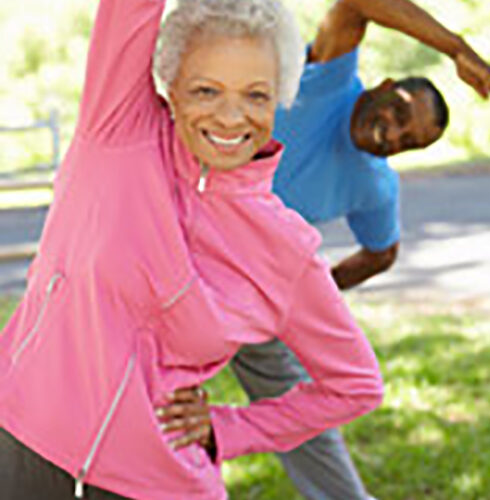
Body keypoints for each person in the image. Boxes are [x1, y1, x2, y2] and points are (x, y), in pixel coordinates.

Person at [0, 1, 384, 499]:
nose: (231, 116)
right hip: (21, 434)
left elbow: (356, 385)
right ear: (171, 88)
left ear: (280, 100)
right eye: (206, 90)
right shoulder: (117, 129)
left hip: (157, 482)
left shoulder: (286, 248)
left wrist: (228, 429)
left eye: (256, 95)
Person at [166, 1, 490, 499]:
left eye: (409, 141)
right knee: (154, 409)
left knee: (310, 428)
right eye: (401, 112)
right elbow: (356, 4)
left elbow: (381, 253)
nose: (395, 132)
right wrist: (454, 47)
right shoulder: (327, 80)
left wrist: (308, 296)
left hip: (254, 297)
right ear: (385, 87)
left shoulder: (377, 186)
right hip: (172, 257)